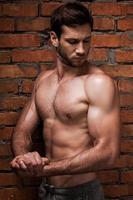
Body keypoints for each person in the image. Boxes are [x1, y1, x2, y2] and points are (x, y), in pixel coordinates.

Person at [10, 2, 120, 200]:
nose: (81, 50)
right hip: (46, 192)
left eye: (86, 41)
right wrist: (23, 158)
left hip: (82, 193)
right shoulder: (43, 80)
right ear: (54, 39)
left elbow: (107, 152)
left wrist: (45, 169)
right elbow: (22, 132)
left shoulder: (97, 83)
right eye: (73, 42)